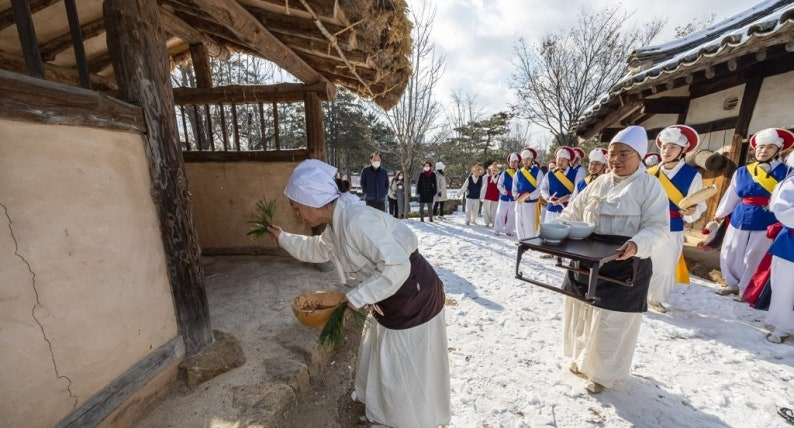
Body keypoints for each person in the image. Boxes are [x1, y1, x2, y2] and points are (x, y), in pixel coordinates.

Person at [266, 159, 450, 427]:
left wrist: (355, 298)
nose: (297, 213)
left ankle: (409, 420)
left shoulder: (356, 220)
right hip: (388, 291)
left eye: (297, 206)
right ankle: (388, 413)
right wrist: (283, 237)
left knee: (406, 367)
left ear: (312, 201)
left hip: (413, 294)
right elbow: (319, 249)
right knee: (390, 360)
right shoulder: (336, 221)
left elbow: (397, 266)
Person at [557, 125, 669, 394]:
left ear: (639, 156)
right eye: (612, 154)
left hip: (625, 262)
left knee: (611, 321)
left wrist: (636, 244)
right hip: (586, 260)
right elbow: (572, 213)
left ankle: (602, 374)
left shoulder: (649, 187)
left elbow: (658, 227)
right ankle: (580, 358)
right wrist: (557, 229)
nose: (615, 160)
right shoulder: (598, 183)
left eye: (624, 154)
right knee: (582, 313)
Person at [714, 128, 793, 297]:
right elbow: (732, 195)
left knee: (755, 255)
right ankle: (732, 284)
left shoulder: (787, 172)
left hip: (768, 218)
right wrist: (720, 214)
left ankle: (747, 289)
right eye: (760, 147)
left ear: (779, 150)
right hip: (740, 216)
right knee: (731, 250)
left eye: (770, 147)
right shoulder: (742, 171)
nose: (763, 151)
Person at [646, 125, 706, 313]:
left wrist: (692, 210)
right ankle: (639, 293)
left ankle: (656, 298)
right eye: (664, 147)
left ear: (683, 150)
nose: (666, 151)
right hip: (647, 224)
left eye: (672, 147)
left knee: (665, 265)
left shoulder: (692, 175)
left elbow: (700, 203)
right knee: (643, 261)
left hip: (673, 225)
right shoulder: (650, 173)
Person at [765, 150, 794, 343]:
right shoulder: (791, 183)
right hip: (791, 241)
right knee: (785, 285)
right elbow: (782, 210)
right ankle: (782, 325)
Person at [540, 147, 578, 223]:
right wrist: (547, 196)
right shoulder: (550, 174)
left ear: (568, 161)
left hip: (567, 210)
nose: (560, 162)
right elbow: (543, 188)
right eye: (559, 159)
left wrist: (568, 198)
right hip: (551, 209)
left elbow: (578, 191)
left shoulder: (575, 173)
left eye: (563, 160)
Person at [513, 147, 544, 240]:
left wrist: (529, 196)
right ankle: (521, 241)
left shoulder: (538, 172)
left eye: (528, 159)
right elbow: (514, 188)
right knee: (519, 223)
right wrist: (516, 196)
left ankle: (530, 242)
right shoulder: (518, 173)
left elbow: (540, 188)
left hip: (531, 203)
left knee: (530, 224)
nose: (525, 161)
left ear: (532, 159)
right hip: (519, 202)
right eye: (524, 159)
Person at [494, 153, 520, 236]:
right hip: (504, 197)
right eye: (512, 161)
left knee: (512, 215)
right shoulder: (504, 173)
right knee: (500, 213)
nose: (513, 163)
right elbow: (499, 184)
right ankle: (497, 229)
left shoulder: (520, 173)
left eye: (515, 161)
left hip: (514, 198)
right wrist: (503, 191)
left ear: (518, 162)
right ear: (509, 163)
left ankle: (509, 230)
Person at [482, 163, 501, 228]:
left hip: (495, 197)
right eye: (492, 170)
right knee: (486, 210)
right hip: (487, 196)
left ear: (498, 171)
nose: (493, 172)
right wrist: (482, 196)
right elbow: (484, 187)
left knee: (494, 211)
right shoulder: (487, 178)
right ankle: (487, 222)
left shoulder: (500, 178)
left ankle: (494, 222)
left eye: (495, 170)